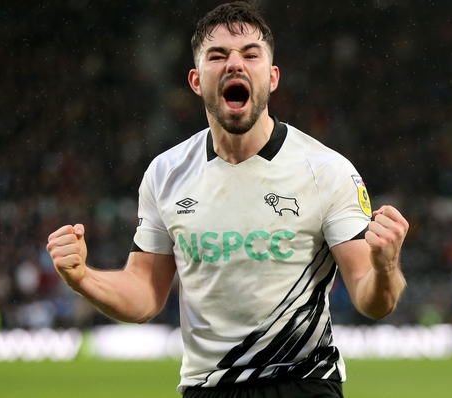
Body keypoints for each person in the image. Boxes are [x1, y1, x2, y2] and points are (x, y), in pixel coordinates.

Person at [46, 2, 408, 397]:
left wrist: (385, 267)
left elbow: (372, 300)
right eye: (217, 56)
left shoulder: (326, 170)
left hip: (301, 384)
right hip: (207, 388)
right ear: (196, 80)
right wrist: (83, 278)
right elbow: (144, 294)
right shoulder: (165, 174)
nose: (235, 64)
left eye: (250, 54)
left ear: (271, 78)